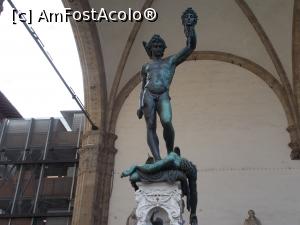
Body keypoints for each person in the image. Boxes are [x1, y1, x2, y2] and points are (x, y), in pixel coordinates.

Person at [137, 8, 198, 160]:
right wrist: (139, 105)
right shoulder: (146, 66)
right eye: (154, 46)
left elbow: (190, 47)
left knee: (166, 121)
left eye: (159, 46)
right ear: (150, 49)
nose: (157, 48)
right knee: (150, 126)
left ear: (164, 49)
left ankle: (170, 152)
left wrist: (189, 28)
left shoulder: (170, 61)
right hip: (148, 95)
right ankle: (158, 159)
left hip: (163, 93)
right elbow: (142, 85)